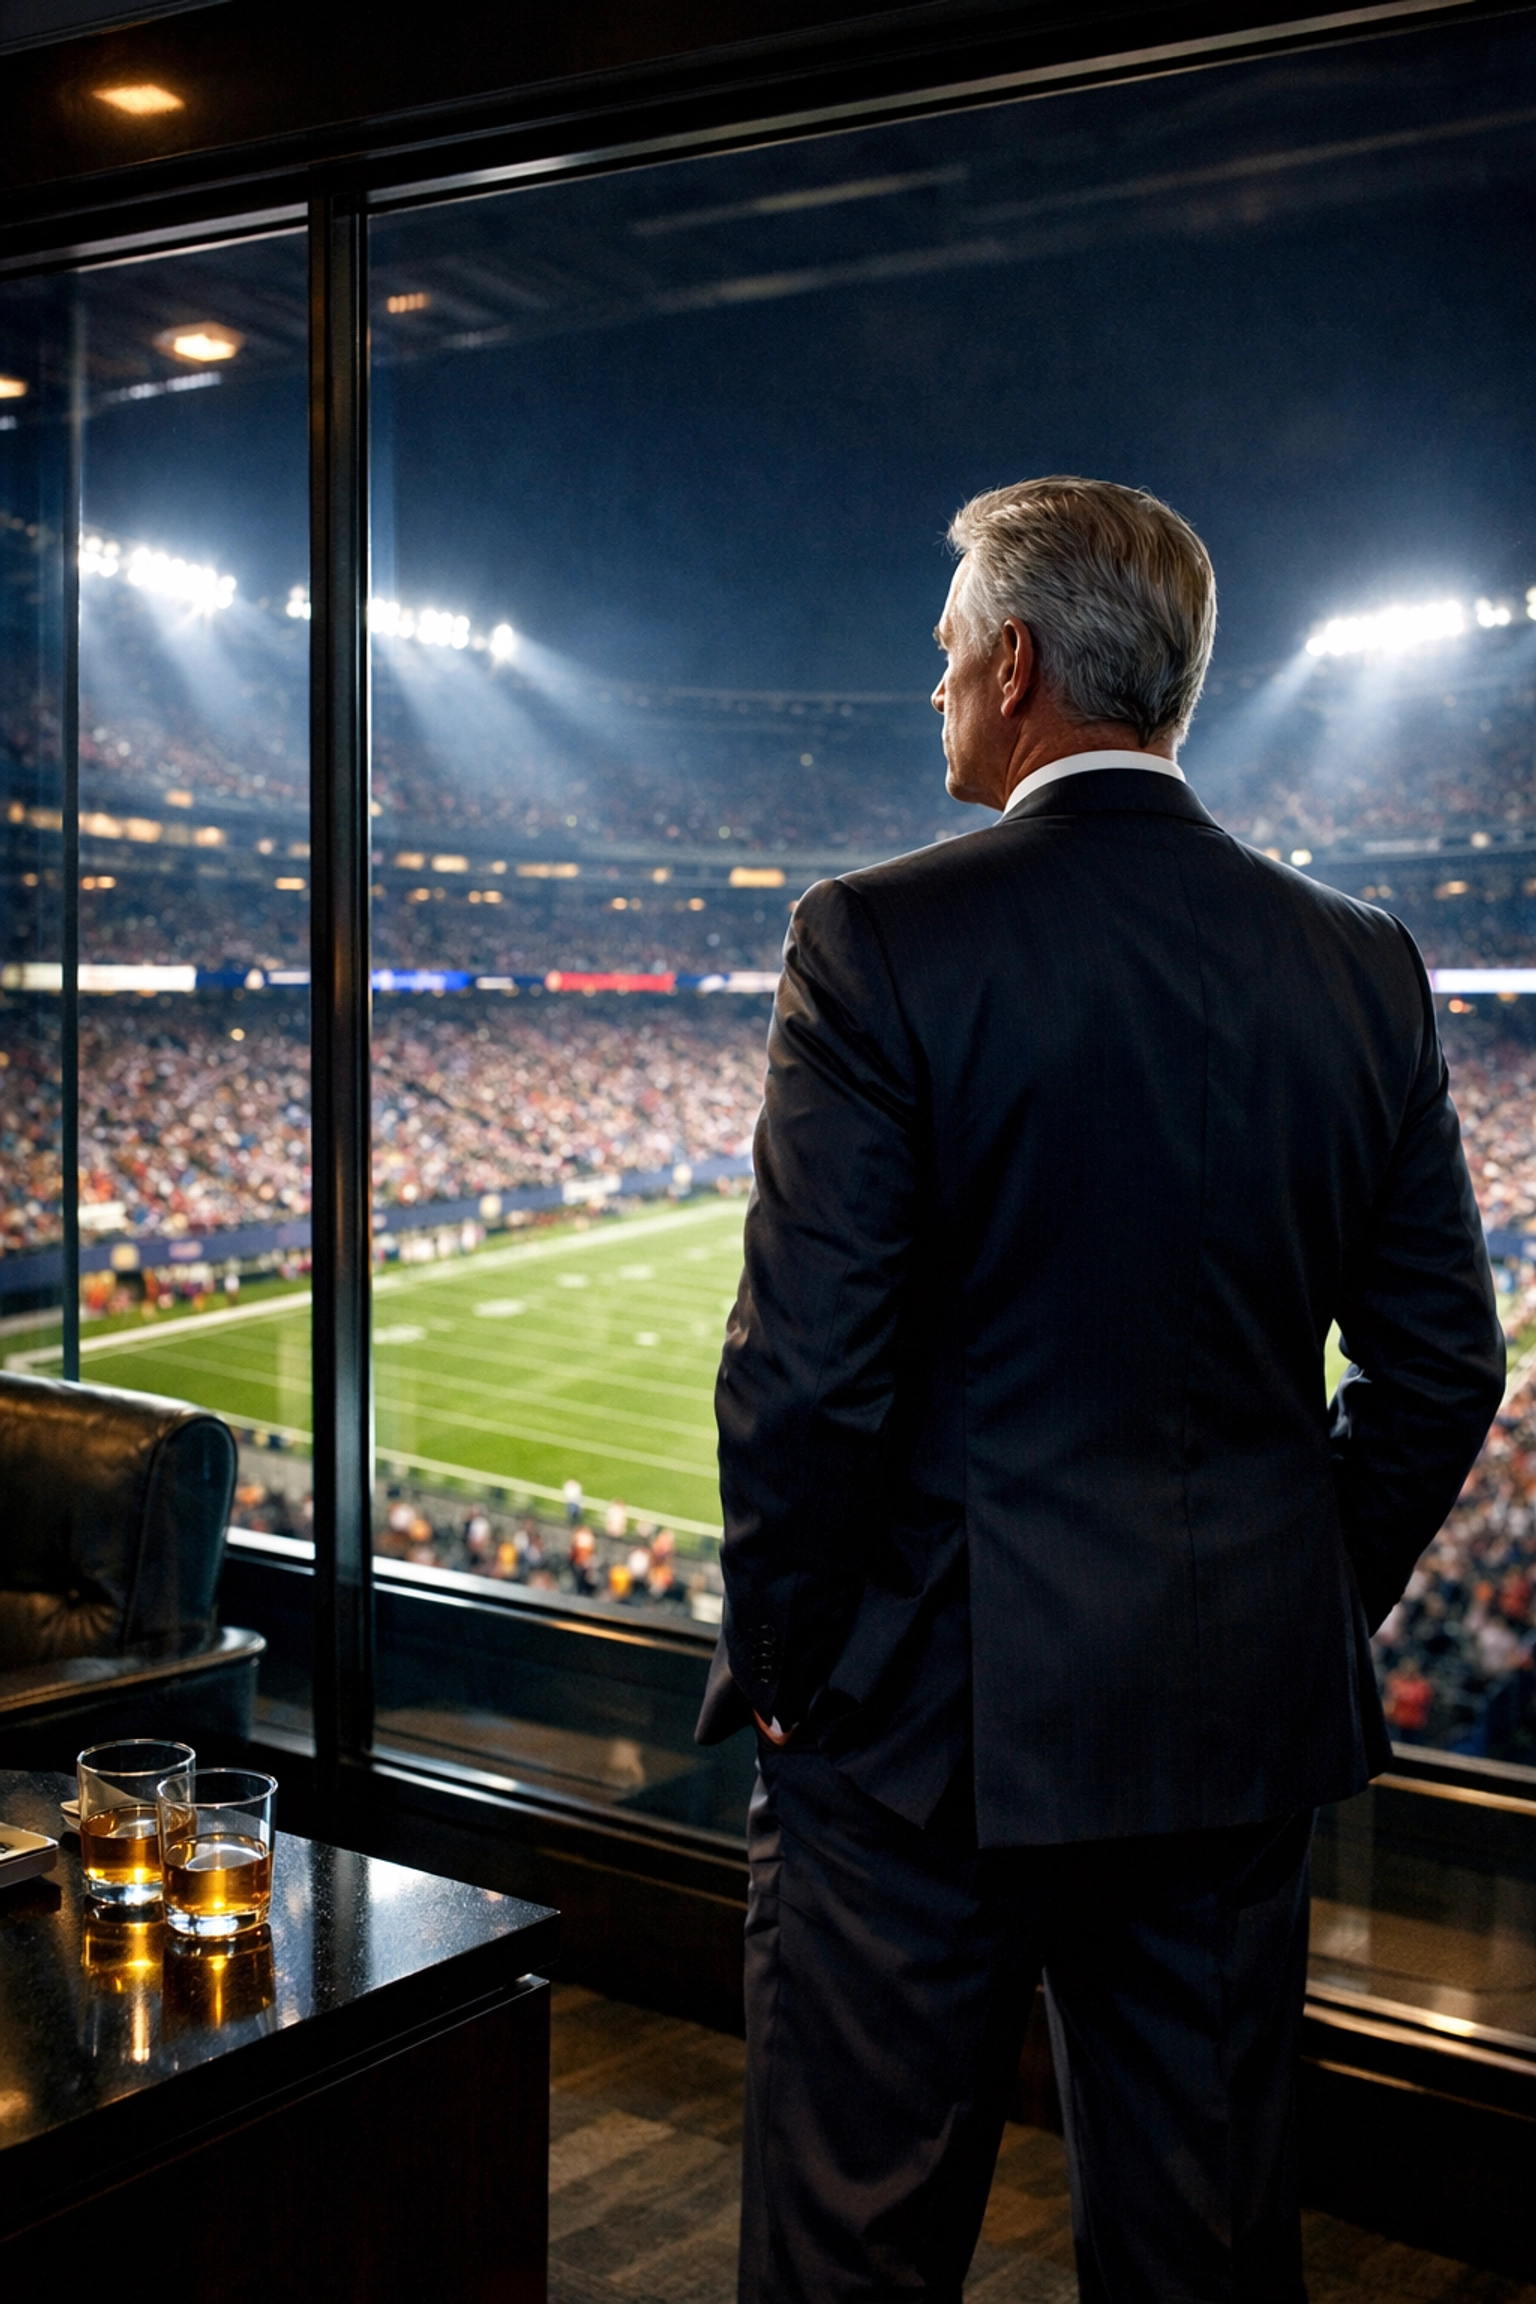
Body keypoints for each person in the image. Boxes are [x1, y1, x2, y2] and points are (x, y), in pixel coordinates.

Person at [695, 476, 1506, 2303]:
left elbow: (802, 1382)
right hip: (1221, 1736)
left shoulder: (876, 937)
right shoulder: (1363, 964)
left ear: (1020, 666)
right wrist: (1283, 1598)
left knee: (852, 2251)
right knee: (1206, 2256)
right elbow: (1448, 1362)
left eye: (945, 658)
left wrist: (794, 1671)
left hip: (914, 1741)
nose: (933, 694)